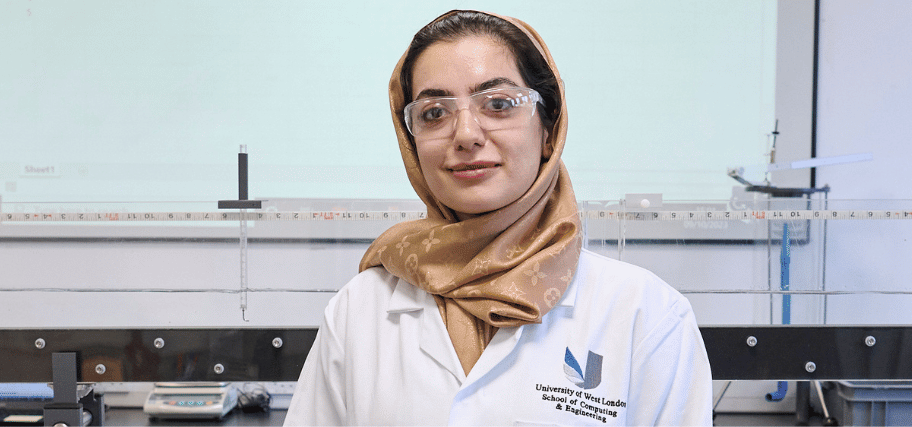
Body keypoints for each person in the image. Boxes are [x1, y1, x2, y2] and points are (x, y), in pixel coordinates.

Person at [285, 10, 713, 426]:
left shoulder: (645, 314)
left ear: (548, 128)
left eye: (499, 104)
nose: (467, 134)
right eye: (434, 112)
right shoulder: (359, 309)